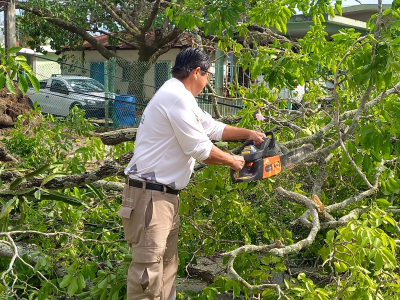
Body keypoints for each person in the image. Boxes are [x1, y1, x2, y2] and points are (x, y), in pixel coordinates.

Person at [118, 48, 266, 300]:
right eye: (208, 76)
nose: (207, 82)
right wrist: (234, 161)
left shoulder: (179, 95)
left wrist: (248, 134)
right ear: (197, 72)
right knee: (148, 277)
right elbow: (200, 148)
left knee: (166, 271)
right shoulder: (176, 97)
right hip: (149, 198)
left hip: (164, 197)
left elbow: (212, 128)